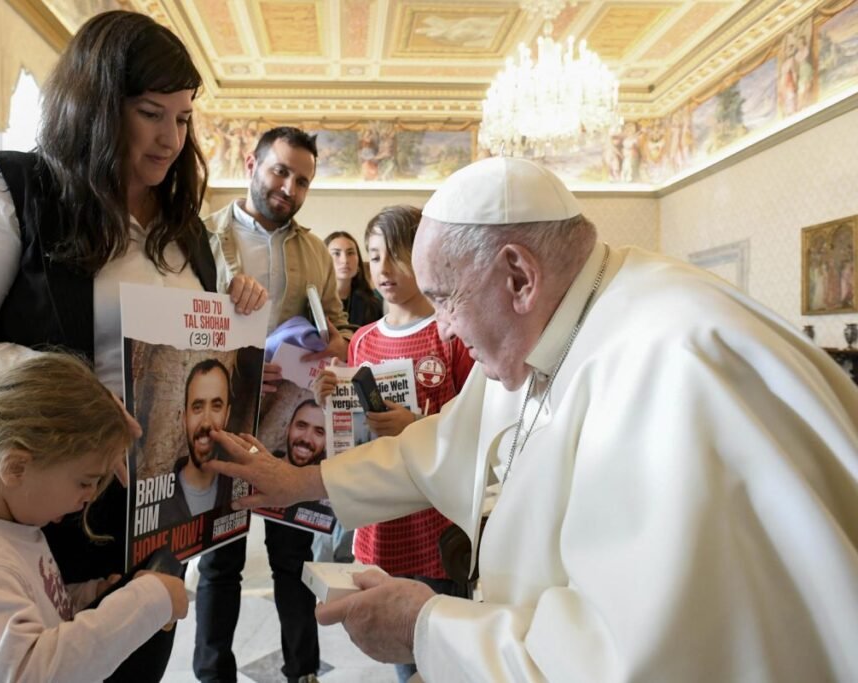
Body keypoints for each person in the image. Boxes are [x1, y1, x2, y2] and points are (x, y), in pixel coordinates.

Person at [205, 157, 858, 681]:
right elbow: (439, 446)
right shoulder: (561, 322)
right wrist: (300, 482)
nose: (449, 328)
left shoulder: (671, 362)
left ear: (518, 275)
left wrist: (426, 626)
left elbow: (625, 659)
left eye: (448, 301)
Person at [0, 11, 266, 681]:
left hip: (150, 510)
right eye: (152, 114)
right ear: (95, 107)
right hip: (34, 495)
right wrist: (64, 390)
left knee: (136, 656)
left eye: (184, 119)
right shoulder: (17, 191)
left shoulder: (183, 226)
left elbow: (190, 349)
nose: (171, 140)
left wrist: (233, 308)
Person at [0, 354, 189, 682]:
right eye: (85, 481)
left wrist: (90, 595)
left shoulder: (9, 530)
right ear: (16, 467)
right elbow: (30, 671)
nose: (89, 496)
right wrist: (146, 602)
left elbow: (31, 603)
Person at [198, 126, 348, 683]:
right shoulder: (203, 236)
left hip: (290, 431)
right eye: (281, 171)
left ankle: (302, 671)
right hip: (224, 420)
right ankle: (213, 675)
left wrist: (334, 341)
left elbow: (337, 323)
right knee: (220, 562)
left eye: (303, 180)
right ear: (253, 163)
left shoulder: (313, 250)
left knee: (293, 561)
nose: (289, 186)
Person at [312, 205, 474, 683]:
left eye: (397, 256)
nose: (383, 270)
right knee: (402, 650)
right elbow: (351, 439)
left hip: (437, 525)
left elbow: (477, 424)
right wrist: (329, 396)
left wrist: (419, 423)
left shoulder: (451, 334)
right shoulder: (362, 341)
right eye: (375, 256)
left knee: (444, 650)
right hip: (381, 528)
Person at [162, 359, 234, 520]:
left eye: (216, 406)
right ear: (184, 418)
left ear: (227, 415)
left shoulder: (237, 492)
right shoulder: (157, 504)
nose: (206, 422)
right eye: (197, 407)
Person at [325, 231, 382, 330]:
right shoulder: (313, 303)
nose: (345, 260)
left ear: (358, 261)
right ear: (323, 259)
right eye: (336, 253)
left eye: (350, 253)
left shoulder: (373, 305)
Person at [280, 399, 327, 467]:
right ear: (288, 429)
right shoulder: (261, 468)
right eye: (301, 426)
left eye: (319, 432)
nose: (306, 439)